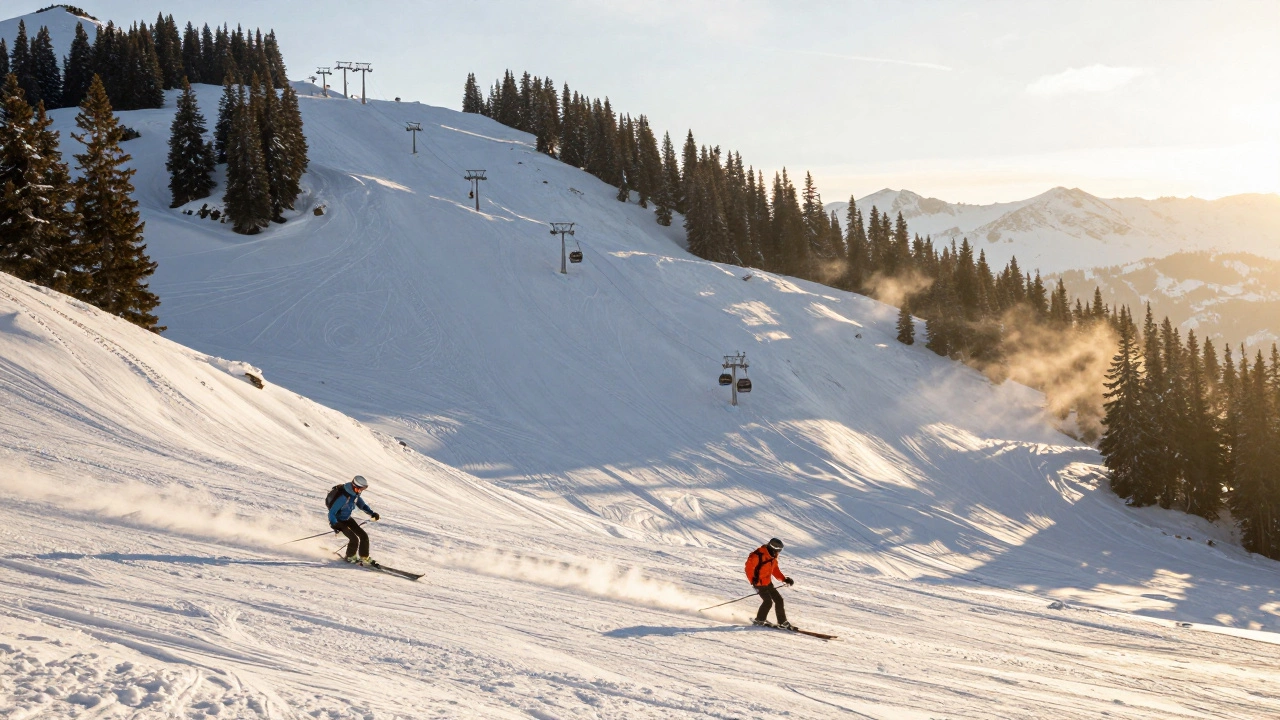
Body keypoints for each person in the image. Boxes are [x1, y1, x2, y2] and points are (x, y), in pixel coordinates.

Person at [328, 475, 381, 565]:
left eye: (363, 489)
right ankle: (350, 557)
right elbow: (331, 513)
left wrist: (372, 513)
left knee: (363, 536)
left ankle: (364, 557)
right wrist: (336, 526)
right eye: (360, 489)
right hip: (338, 521)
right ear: (355, 486)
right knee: (354, 539)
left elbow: (362, 505)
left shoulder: (354, 495)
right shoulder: (344, 497)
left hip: (347, 518)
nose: (361, 491)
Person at [744, 537, 795, 629]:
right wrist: (753, 580)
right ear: (773, 547)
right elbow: (748, 568)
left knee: (779, 600)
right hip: (759, 583)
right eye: (779, 550)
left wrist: (784, 579)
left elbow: (775, 570)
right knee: (768, 602)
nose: (779, 552)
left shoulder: (773, 556)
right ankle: (759, 620)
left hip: (767, 582)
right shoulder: (757, 555)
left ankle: (782, 622)